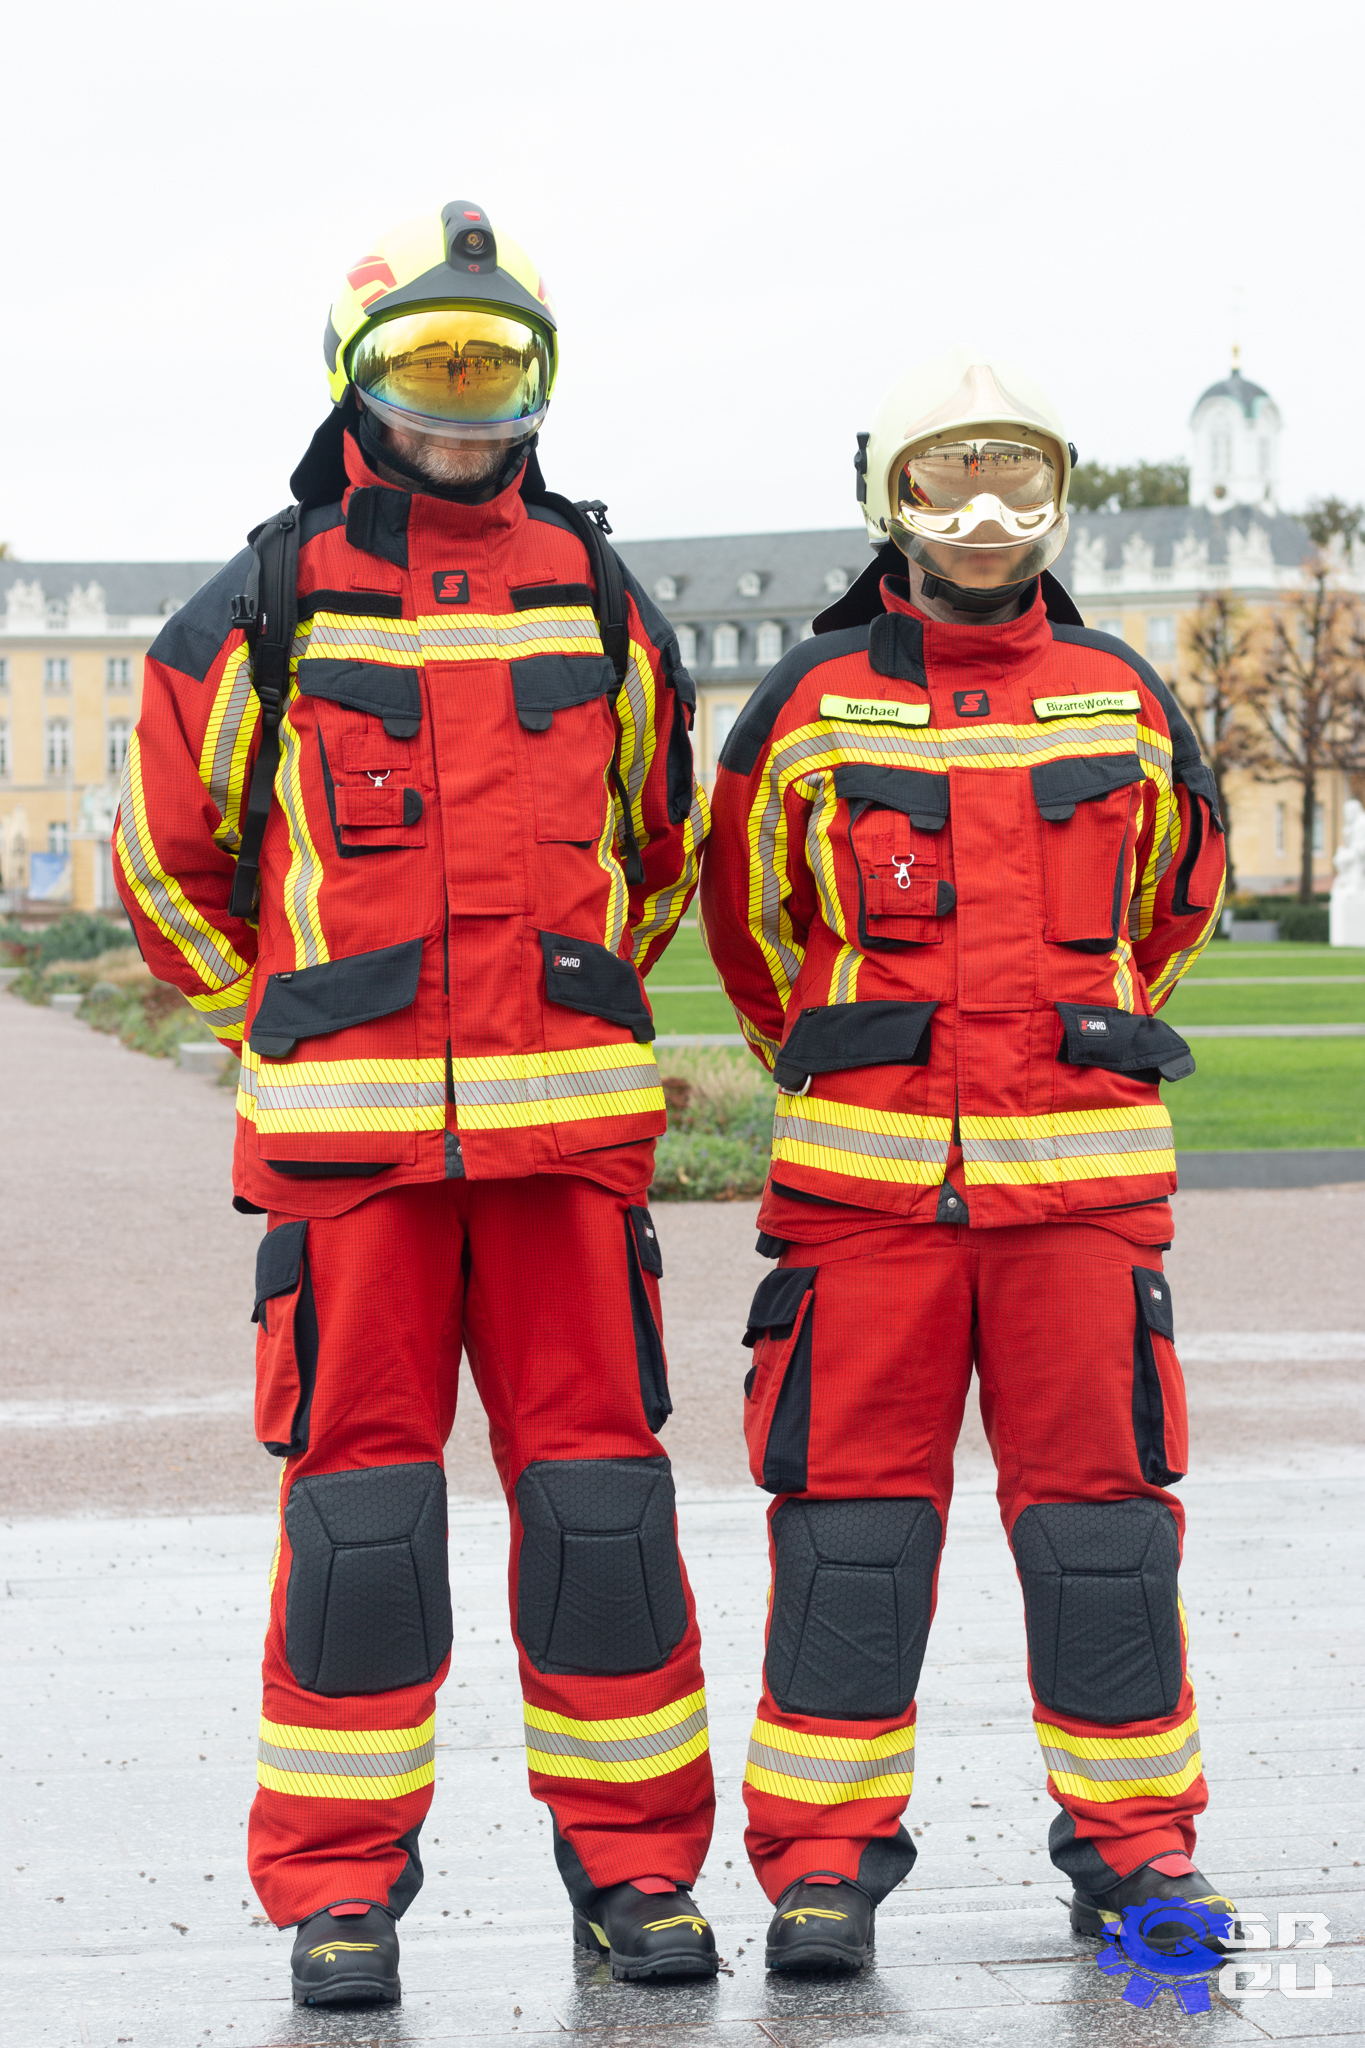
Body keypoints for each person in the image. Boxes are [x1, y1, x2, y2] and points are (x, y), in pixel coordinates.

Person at [114, 201, 716, 2007]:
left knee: (602, 1523)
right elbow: (167, 871)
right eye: (430, 370)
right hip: (355, 1168)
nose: (463, 405)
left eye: (492, 369)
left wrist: (559, 1008)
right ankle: (337, 1892)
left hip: (560, 1159)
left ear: (538, 384)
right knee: (358, 1535)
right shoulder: (262, 602)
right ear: (358, 382)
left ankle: (636, 1874)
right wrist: (286, 1022)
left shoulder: (597, 594)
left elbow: (658, 848)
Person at [700, 344, 1233, 1973]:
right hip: (865, 1208)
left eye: (1015, 479)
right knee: (849, 1535)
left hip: (1076, 1199)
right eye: (949, 480)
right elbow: (750, 929)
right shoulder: (808, 701)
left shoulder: (1121, 693)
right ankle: (822, 1867)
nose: (983, 514)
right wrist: (868, 1064)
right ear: (896, 502)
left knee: (1103, 1536)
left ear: (1055, 499)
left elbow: (1175, 905)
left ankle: (1136, 1853)